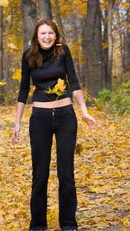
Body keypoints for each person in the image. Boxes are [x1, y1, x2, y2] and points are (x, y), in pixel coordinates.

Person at [12, 19, 98, 231]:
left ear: (56, 35)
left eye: (50, 33)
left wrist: (84, 111)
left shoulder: (63, 52)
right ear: (36, 36)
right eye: (43, 33)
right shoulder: (28, 55)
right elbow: (23, 89)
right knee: (40, 174)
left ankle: (68, 224)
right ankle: (38, 225)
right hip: (39, 119)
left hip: (65, 117)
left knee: (66, 173)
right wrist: (17, 123)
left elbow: (74, 82)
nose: (47, 37)